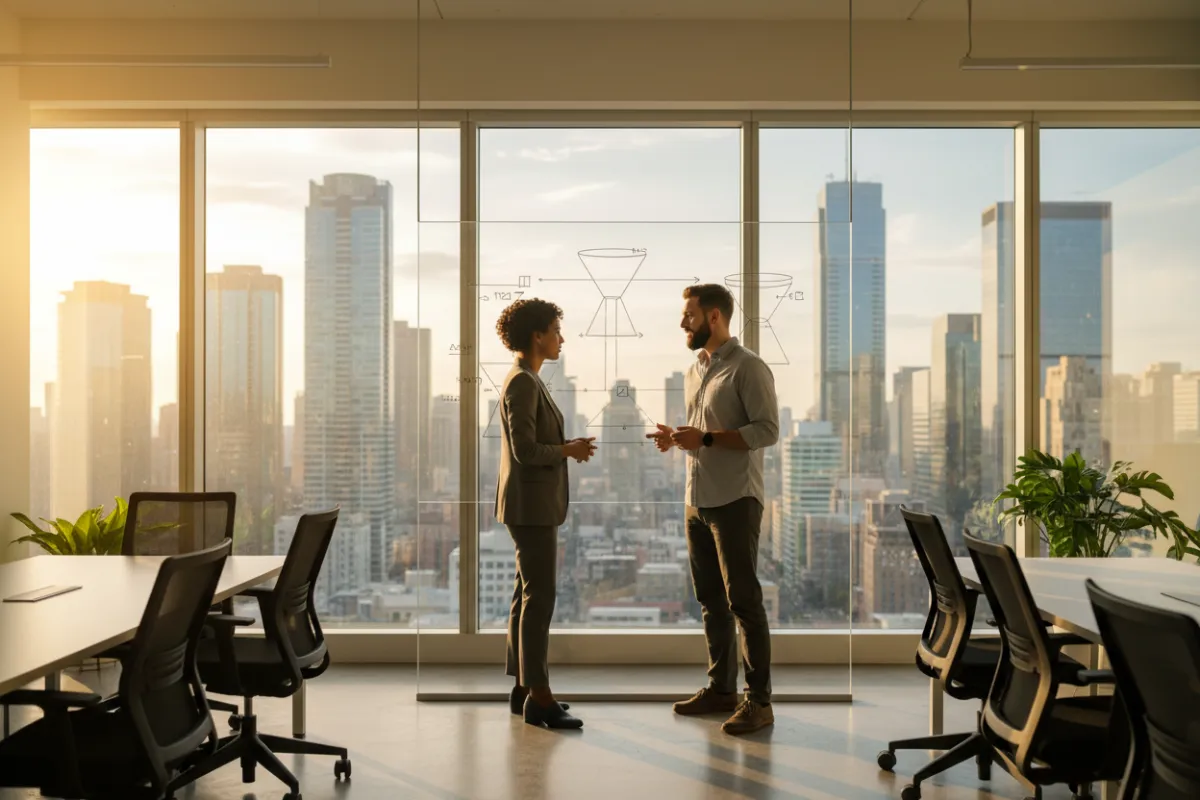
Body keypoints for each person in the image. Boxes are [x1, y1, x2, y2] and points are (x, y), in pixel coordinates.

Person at [647, 284, 780, 736]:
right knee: (710, 601)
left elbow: (766, 430)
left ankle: (758, 701)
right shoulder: (694, 370)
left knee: (744, 602)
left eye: (689, 315)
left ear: (715, 317)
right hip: (697, 498)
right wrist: (680, 438)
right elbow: (702, 433)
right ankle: (721, 689)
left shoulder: (749, 367)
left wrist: (702, 439)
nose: (683, 322)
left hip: (735, 499)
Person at [495, 298, 595, 730]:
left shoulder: (528, 379)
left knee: (526, 597)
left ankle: (524, 689)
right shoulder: (522, 382)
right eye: (556, 329)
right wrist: (567, 450)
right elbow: (525, 451)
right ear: (538, 335)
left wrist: (563, 448)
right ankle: (539, 697)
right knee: (540, 599)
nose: (561, 337)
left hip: (530, 504)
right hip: (531, 507)